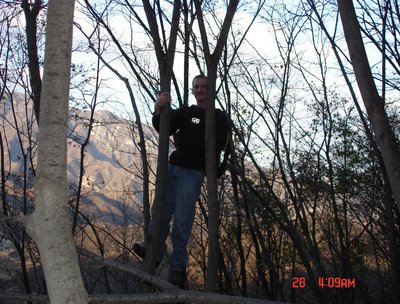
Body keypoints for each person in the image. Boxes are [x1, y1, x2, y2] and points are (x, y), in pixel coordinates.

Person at [134, 74, 231, 288]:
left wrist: (217, 169)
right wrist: (158, 108)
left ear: (210, 89)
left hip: (193, 173)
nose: (200, 89)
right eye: (196, 86)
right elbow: (164, 127)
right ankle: (155, 253)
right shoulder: (188, 112)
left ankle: (177, 266)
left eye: (204, 86)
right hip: (172, 168)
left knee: (182, 221)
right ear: (193, 89)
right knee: (159, 212)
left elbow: (225, 148)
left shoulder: (219, 117)